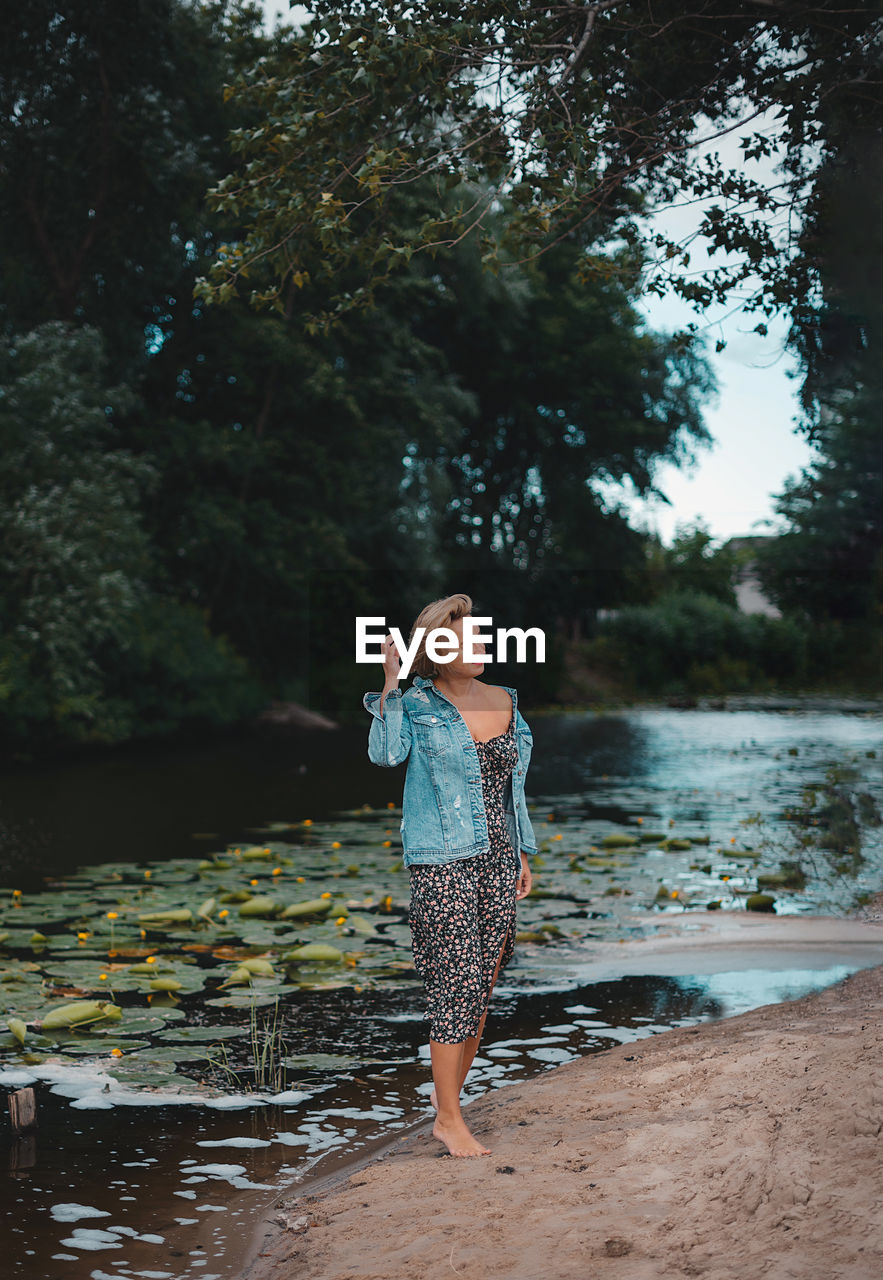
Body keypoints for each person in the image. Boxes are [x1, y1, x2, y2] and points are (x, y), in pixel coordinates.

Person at [362, 593, 537, 1157]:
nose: (482, 644)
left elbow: (512, 789)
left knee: (481, 985)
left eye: (483, 635)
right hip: (442, 861)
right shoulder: (416, 705)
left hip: (498, 860)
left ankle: (447, 1108)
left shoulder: (506, 700)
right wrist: (390, 683)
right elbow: (385, 757)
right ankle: (450, 1120)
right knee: (454, 984)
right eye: (467, 638)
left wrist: (523, 854)